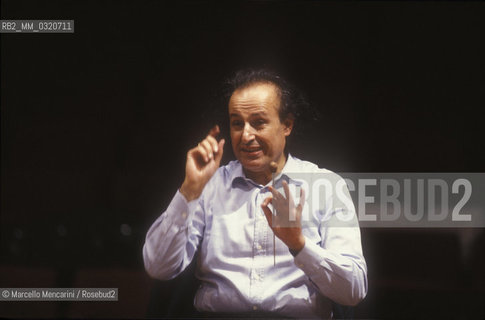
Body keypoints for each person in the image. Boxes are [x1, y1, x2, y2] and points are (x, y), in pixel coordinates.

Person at [143, 69, 367, 318]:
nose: (246, 135)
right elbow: (158, 267)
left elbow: (353, 289)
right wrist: (189, 189)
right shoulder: (210, 186)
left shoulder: (326, 186)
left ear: (287, 125)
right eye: (237, 123)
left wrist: (299, 245)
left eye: (258, 122)